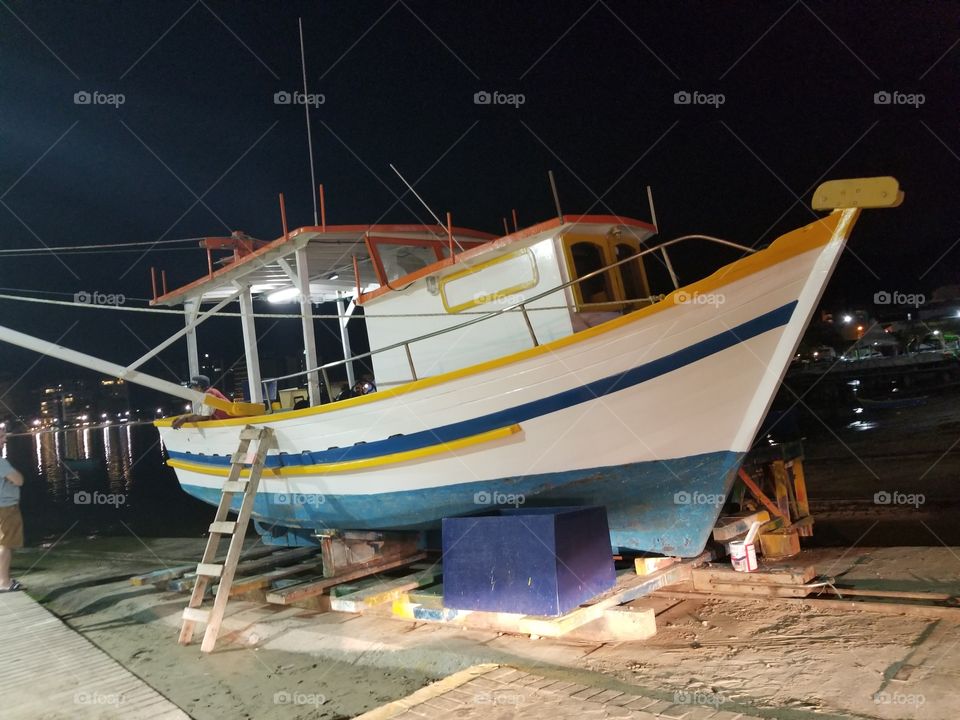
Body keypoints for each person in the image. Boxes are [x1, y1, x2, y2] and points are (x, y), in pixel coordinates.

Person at [0, 429, 25, 592]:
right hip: (5, 508)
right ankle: (4, 582)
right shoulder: (1, 463)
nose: (4, 441)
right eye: (1, 437)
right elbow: (19, 480)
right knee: (5, 545)